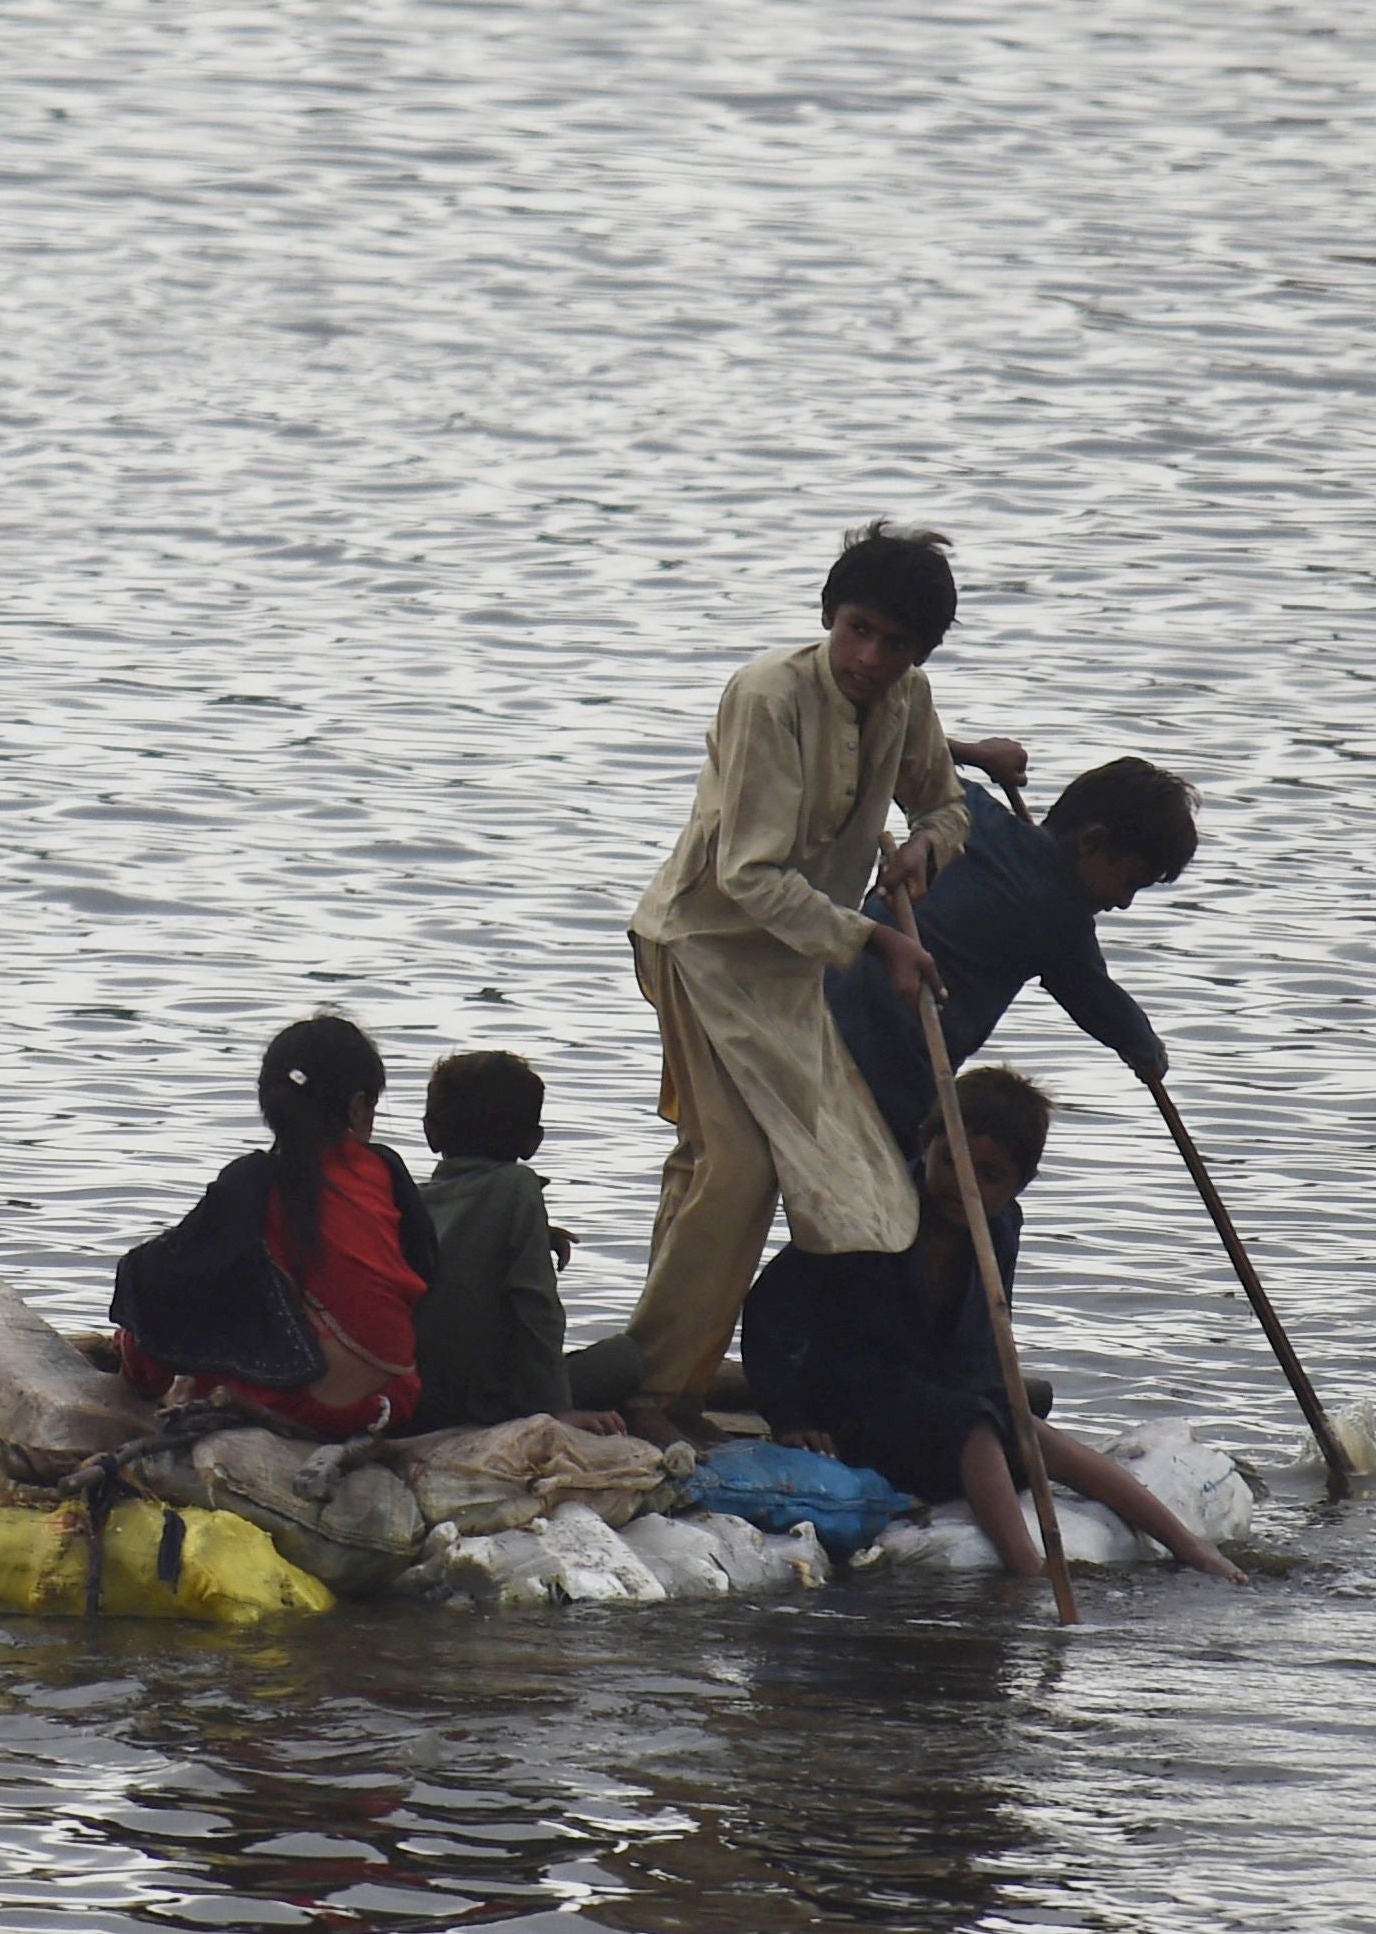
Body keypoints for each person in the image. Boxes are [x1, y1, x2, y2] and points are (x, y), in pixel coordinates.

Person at [617, 520, 979, 1404]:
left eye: (895, 643)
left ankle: (658, 1366)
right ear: (830, 615)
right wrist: (874, 937)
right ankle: (658, 1393)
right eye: (857, 629)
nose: (868, 656)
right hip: (700, 946)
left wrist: (925, 850)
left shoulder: (906, 699)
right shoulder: (766, 695)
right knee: (739, 1171)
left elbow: (947, 804)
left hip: (786, 968)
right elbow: (746, 876)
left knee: (715, 1165)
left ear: (918, 651)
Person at [737, 1066, 1246, 1583]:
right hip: (861, 1406)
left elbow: (983, 1336)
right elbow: (768, 1313)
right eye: (951, 1160)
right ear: (925, 1144)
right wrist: (790, 1414)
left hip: (941, 1402)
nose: (966, 1184)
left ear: (1018, 1184)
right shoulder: (873, 1214)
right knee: (976, 1425)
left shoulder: (1000, 1227)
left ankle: (1191, 1547)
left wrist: (999, 1406)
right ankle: (1030, 1572)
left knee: (1028, 1429)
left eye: (991, 1175)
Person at [826, 755, 1197, 1145]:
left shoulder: (969, 811)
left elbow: (901, 749)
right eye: (1131, 883)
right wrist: (1147, 1050)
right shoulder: (1061, 920)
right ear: (1091, 842)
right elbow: (1100, 1002)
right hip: (891, 1073)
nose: (1124, 903)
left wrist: (974, 755)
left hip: (821, 1000)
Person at [110, 1015, 437, 1437]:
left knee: (163, 1274)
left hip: (305, 1403)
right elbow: (423, 1268)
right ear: (357, 1107)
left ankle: (143, 1371)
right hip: (392, 1400)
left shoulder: (252, 1181)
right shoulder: (386, 1170)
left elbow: (170, 1277)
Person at [409, 1051, 621, 1432]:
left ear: (431, 1131)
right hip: (491, 1406)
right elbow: (537, 1308)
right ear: (532, 1142)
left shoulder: (409, 1198)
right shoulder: (518, 1186)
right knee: (629, 1358)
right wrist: (556, 1410)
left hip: (417, 1398)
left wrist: (539, 1234)